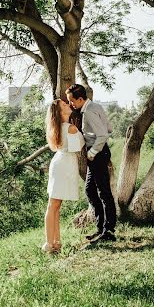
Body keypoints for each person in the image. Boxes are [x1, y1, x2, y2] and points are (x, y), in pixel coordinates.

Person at [66, 84, 117, 243]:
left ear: (80, 99)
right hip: (98, 153)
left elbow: (102, 135)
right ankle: (101, 227)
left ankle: (108, 230)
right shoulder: (96, 106)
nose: (71, 104)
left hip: (97, 154)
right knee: (90, 190)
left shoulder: (88, 112)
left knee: (103, 192)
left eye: (72, 101)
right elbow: (109, 128)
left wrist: (92, 152)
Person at [43, 98, 85, 253]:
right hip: (64, 165)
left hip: (60, 163)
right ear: (60, 112)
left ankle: (56, 242)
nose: (68, 105)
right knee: (53, 205)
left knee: (55, 206)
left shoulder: (59, 128)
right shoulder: (70, 128)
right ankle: (49, 243)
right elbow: (76, 148)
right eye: (64, 105)